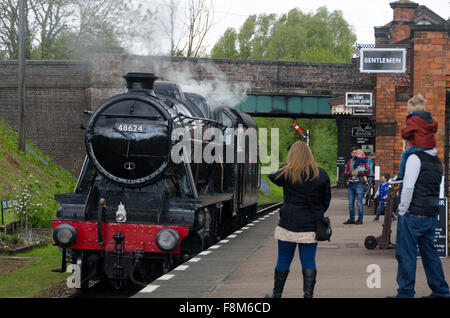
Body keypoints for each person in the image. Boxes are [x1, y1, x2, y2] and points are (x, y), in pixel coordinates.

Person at [266, 141, 331, 298]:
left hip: (288, 224)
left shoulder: (287, 173)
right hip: (310, 225)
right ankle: (308, 295)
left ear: (291, 155)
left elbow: (271, 175)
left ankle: (276, 294)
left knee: (283, 259)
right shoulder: (321, 174)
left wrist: (286, 165)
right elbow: (326, 201)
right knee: (308, 261)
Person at [389, 145, 450, 298]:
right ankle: (441, 291)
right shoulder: (437, 161)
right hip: (430, 213)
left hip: (413, 214)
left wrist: (402, 210)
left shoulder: (414, 158)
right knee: (430, 254)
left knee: (406, 254)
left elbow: (408, 187)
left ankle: (405, 293)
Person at [393, 94, 437, 181]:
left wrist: (405, 129)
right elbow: (435, 128)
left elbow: (405, 134)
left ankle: (400, 176)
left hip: (419, 145)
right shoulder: (429, 118)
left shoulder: (413, 119)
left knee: (404, 155)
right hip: (431, 146)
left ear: (412, 108)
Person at [343, 148, 370, 224]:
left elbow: (368, 171)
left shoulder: (363, 161)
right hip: (351, 185)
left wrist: (358, 173)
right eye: (354, 153)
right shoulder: (350, 162)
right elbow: (345, 173)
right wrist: (351, 174)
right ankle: (351, 219)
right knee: (350, 203)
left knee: (359, 202)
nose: (355, 154)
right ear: (352, 154)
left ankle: (360, 219)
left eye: (356, 153)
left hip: (359, 184)